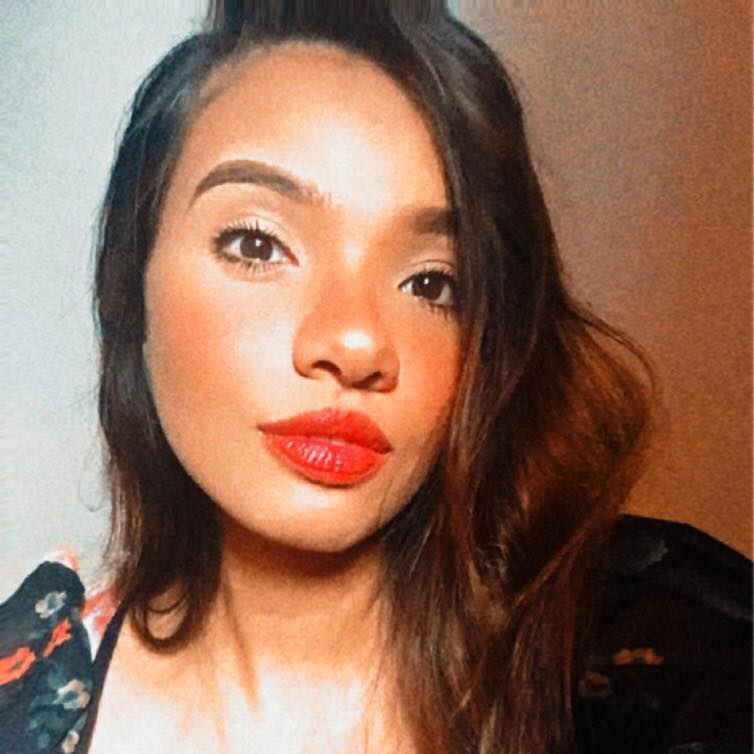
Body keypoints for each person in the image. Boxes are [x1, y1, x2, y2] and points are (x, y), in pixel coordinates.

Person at [1, 2, 750, 753]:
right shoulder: (24, 690)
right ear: (132, 286)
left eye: (432, 284)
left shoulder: (653, 673)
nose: (356, 343)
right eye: (257, 244)